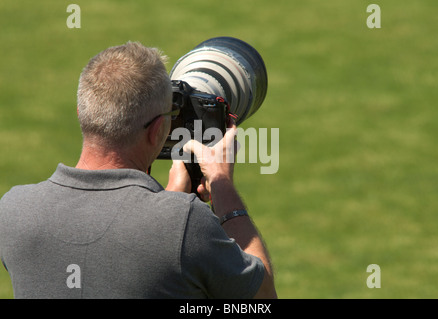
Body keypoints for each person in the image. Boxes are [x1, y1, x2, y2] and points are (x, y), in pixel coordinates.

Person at [0, 42, 277, 299]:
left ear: (81, 113)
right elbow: (262, 297)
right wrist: (221, 183)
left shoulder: (14, 211)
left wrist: (166, 200)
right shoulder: (183, 223)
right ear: (158, 131)